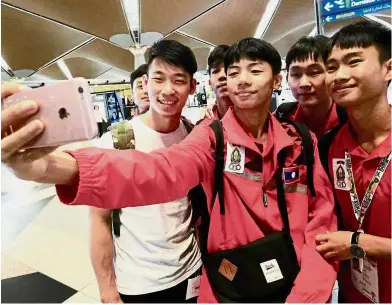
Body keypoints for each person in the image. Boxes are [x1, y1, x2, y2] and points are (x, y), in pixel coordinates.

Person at [1, 38, 337, 303]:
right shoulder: (210, 138)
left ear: (276, 79)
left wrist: (306, 297)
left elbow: (321, 222)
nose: (243, 81)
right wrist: (52, 168)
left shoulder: (299, 142)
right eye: (233, 72)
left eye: (255, 70)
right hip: (226, 288)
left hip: (292, 284)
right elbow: (162, 172)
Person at [90, 40, 202, 303]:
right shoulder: (117, 141)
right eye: (158, 79)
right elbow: (99, 220)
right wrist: (108, 291)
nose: (167, 90)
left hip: (192, 272)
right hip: (140, 284)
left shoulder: (193, 135)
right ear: (145, 83)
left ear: (192, 87)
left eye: (178, 80)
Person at [315, 20, 391, 303]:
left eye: (353, 61)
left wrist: (359, 244)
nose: (339, 75)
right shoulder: (328, 145)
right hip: (352, 293)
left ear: (389, 68)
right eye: (332, 67)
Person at [275, 35, 346, 138]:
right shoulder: (281, 118)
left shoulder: (353, 121)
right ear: (287, 79)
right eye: (296, 75)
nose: (304, 83)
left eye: (314, 72)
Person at [201, 45, 233, 122]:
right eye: (215, 71)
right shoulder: (204, 126)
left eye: (228, 69)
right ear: (209, 83)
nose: (222, 76)